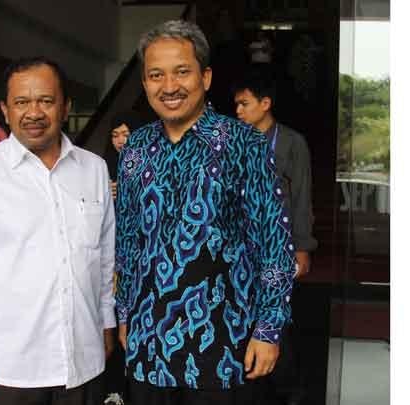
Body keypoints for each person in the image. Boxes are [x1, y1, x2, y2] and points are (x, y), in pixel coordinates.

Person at [114, 20, 296, 405]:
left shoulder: (243, 143)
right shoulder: (135, 149)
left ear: (206, 77)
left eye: (182, 71)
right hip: (148, 344)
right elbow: (128, 240)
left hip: (224, 347)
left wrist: (268, 329)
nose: (169, 86)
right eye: (156, 75)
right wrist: (125, 313)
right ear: (144, 83)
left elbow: (274, 242)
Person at [0, 57, 116, 405]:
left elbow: (104, 259)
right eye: (21, 102)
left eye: (45, 101)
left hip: (84, 359)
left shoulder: (94, 169)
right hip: (11, 368)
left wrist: (106, 321)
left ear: (65, 107)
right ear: (5, 111)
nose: (33, 112)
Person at [233, 70, 318, 405]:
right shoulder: (237, 141)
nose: (238, 111)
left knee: (276, 313)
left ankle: (289, 388)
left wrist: (302, 247)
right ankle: (251, 381)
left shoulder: (292, 143)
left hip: (279, 246)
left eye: (244, 103)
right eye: (236, 104)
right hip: (242, 247)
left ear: (265, 103)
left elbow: (301, 197)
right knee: (245, 311)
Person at [109, 111, 143, 200]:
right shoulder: (104, 165)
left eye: (126, 135)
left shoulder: (154, 163)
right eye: (115, 135)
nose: (120, 141)